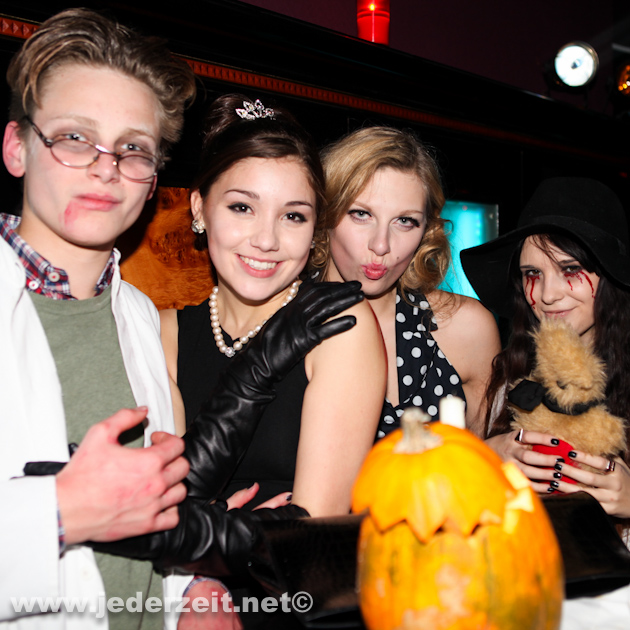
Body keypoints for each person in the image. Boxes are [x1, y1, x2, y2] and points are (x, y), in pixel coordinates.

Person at [0, 9, 363, 629]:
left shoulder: (138, 317)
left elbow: (170, 496)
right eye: (75, 138)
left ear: (153, 181)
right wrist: (61, 510)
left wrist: (195, 584)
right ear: (16, 147)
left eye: (133, 148)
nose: (106, 166)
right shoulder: (167, 324)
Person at [160, 94, 385, 518]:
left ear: (315, 228)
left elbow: (317, 524)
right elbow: (162, 505)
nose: (266, 240)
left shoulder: (339, 327)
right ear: (199, 208)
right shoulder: (161, 332)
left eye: (293, 216)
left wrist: (206, 523)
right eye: (242, 207)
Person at [310, 126, 500, 438]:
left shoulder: (466, 329)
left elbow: (482, 461)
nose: (381, 245)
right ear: (324, 214)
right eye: (361, 214)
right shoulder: (278, 323)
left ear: (426, 231)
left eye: (405, 221)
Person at [460, 176, 630, 513]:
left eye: (570, 269)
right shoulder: (510, 377)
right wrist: (486, 454)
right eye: (532, 274)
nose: (548, 295)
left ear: (609, 275)